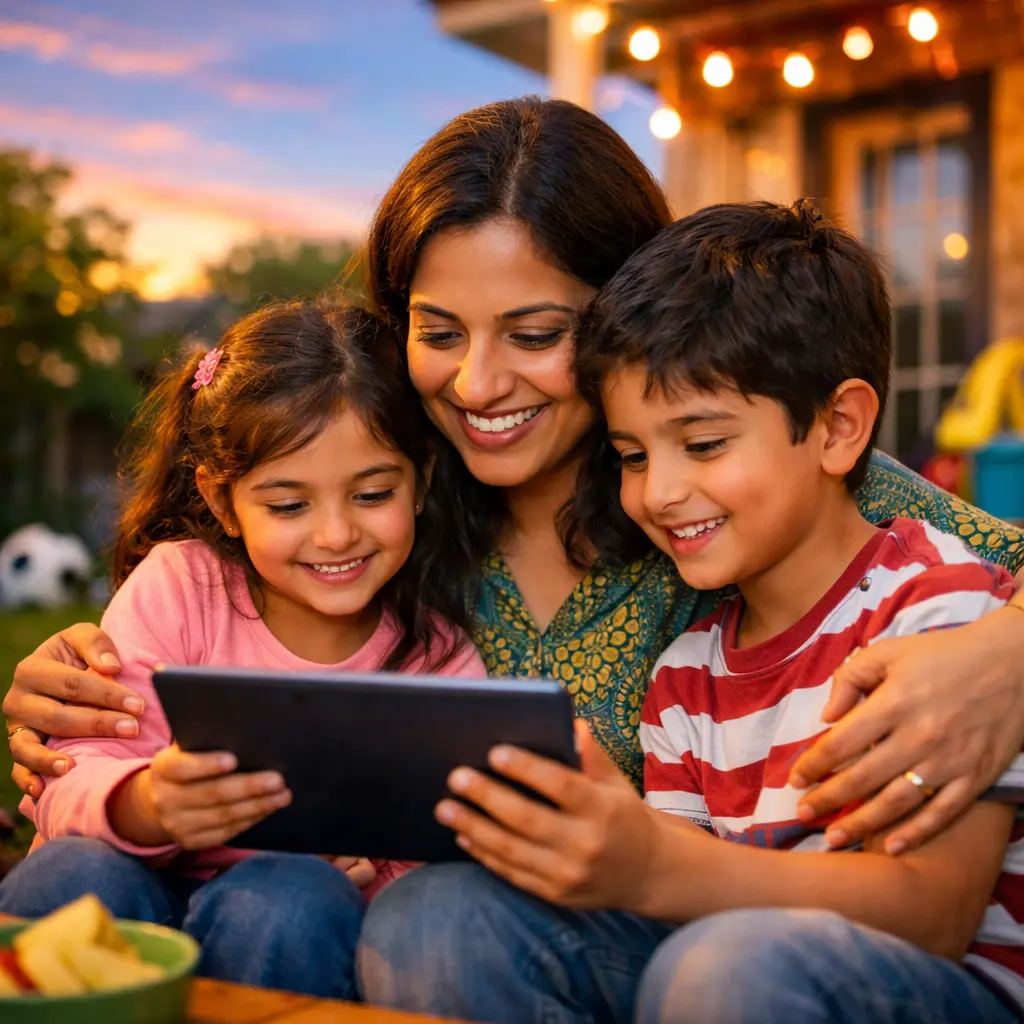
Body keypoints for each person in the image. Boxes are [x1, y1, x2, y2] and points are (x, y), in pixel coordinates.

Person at [4, 96, 1024, 983]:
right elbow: (209, 618)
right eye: (439, 331)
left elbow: (972, 569)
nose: (479, 384)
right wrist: (87, 704)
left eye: (535, 335)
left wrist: (1006, 653)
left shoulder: (735, 485)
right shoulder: (377, 500)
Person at [360, 201, 1024, 1024]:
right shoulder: (686, 676)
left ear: (839, 427)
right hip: (718, 972)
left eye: (703, 445)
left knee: (731, 965)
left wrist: (652, 867)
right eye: (632, 456)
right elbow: (675, 909)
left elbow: (934, 916)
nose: (660, 492)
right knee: (432, 917)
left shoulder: (940, 605)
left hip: (930, 991)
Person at [0, 302, 483, 1000]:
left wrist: (370, 877)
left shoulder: (434, 660)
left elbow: (433, 857)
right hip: (131, 901)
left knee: (290, 898)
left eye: (373, 493)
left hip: (281, 936)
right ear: (223, 503)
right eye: (288, 506)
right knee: (70, 875)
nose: (337, 534)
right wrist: (149, 804)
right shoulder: (180, 588)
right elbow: (70, 769)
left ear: (422, 481)